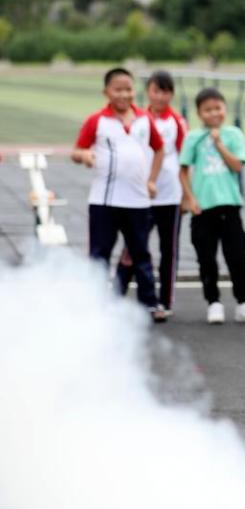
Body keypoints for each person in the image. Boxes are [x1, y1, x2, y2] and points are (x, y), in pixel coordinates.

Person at [72, 67, 167, 323]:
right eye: (118, 89)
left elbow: (159, 149)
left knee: (141, 253)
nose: (124, 94)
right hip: (104, 200)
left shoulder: (145, 120)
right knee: (100, 252)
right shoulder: (97, 121)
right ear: (106, 92)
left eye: (128, 89)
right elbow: (77, 150)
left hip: (137, 200)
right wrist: (86, 156)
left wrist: (152, 180)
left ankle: (149, 302)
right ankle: (93, 300)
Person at [178, 87, 245, 325]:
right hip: (203, 207)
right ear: (199, 113)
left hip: (229, 205)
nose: (213, 113)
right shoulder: (193, 137)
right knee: (206, 257)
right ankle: (213, 301)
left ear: (225, 109)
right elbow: (183, 169)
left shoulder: (233, 134)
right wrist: (190, 198)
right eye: (207, 110)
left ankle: (243, 302)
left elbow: (237, 166)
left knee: (237, 255)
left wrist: (219, 144)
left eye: (218, 108)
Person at [116, 70, 185, 317]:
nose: (161, 97)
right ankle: (117, 294)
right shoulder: (137, 120)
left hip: (169, 195)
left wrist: (187, 194)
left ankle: (164, 301)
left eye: (166, 92)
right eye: (157, 91)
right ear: (148, 92)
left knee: (169, 250)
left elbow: (183, 158)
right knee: (133, 248)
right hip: (139, 195)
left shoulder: (177, 121)